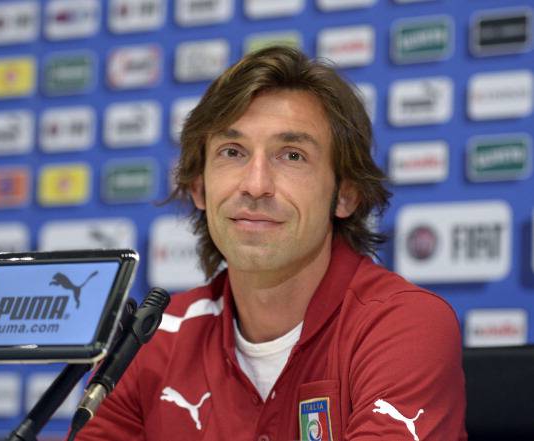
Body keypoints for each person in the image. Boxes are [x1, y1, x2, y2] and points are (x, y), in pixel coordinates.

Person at [74, 46, 466, 441]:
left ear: (345, 194)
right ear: (199, 187)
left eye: (292, 156)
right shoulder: (151, 338)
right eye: (232, 152)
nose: (255, 184)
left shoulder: (405, 326)